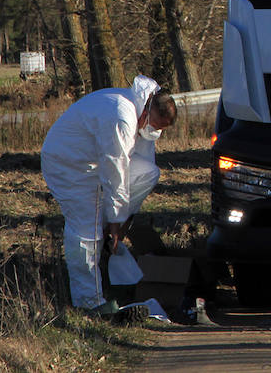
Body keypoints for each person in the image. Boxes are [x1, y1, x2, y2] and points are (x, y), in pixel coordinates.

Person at [41, 75, 178, 315]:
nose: (155, 132)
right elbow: (115, 170)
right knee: (85, 231)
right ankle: (89, 303)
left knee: (148, 173)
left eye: (160, 130)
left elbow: (140, 165)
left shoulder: (142, 110)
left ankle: (105, 232)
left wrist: (123, 218)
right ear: (147, 112)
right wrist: (115, 219)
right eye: (155, 126)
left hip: (93, 160)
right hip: (68, 164)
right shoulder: (122, 117)